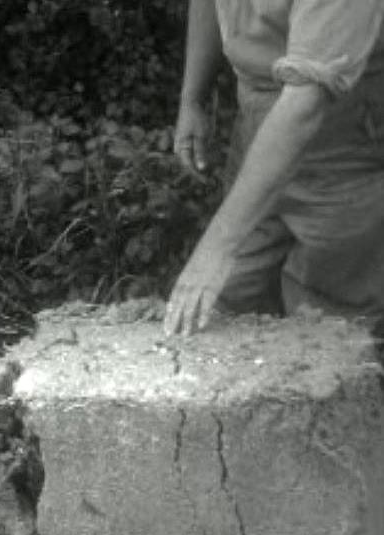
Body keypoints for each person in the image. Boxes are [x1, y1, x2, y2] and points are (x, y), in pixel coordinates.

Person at [164, 0, 384, 335]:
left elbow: (305, 106)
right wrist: (193, 98)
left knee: (329, 333)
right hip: (256, 120)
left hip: (341, 136)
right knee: (218, 315)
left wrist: (215, 249)